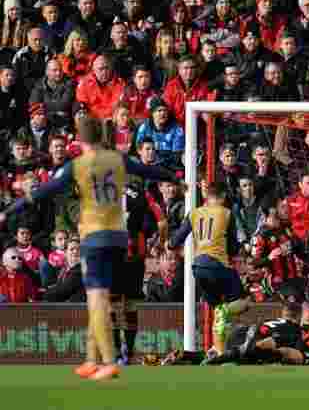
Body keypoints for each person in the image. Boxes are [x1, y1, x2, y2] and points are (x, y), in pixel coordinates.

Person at [0, 116, 179, 381]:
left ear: (82, 140)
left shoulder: (78, 165)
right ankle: (92, 358)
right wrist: (177, 178)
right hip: (120, 241)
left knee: (97, 299)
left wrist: (8, 210)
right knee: (113, 300)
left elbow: (41, 192)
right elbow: (149, 171)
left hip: (94, 238)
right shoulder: (118, 160)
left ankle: (108, 361)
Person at [168, 181, 250, 357]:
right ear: (223, 197)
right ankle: (223, 323)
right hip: (217, 264)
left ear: (206, 196)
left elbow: (173, 242)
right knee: (243, 303)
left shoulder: (194, 213)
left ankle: (218, 350)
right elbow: (233, 247)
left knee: (217, 307)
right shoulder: (227, 213)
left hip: (198, 267)